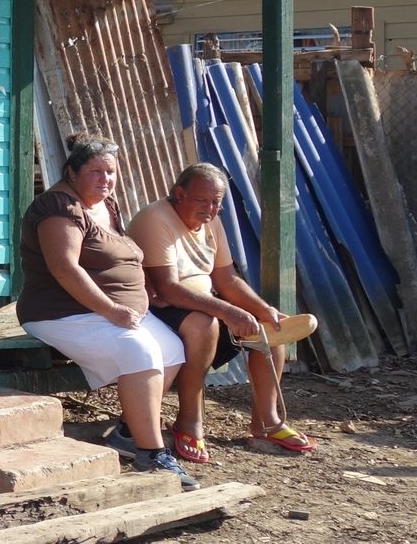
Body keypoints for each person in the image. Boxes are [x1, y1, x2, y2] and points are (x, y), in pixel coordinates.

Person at [18, 135, 196, 489]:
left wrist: (142, 293)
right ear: (71, 172)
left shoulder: (106, 204)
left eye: (111, 172)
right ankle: (152, 454)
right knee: (140, 350)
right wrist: (113, 309)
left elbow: (118, 254)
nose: (105, 179)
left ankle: (129, 433)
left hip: (110, 312)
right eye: (96, 172)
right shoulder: (58, 207)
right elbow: (65, 268)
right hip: (62, 313)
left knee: (172, 349)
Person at [129, 162, 315, 462]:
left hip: (202, 302)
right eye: (202, 200)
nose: (210, 208)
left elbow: (226, 279)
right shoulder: (155, 218)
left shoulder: (211, 221)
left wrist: (263, 309)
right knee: (206, 325)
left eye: (216, 202)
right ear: (180, 193)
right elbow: (168, 289)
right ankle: (189, 420)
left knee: (268, 326)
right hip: (158, 308)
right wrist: (229, 312)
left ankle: (267, 421)